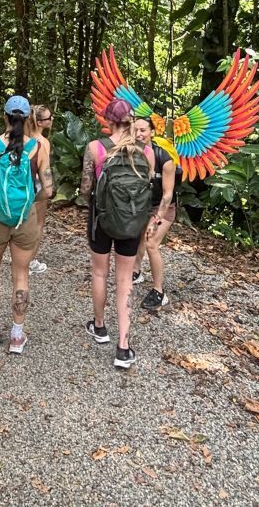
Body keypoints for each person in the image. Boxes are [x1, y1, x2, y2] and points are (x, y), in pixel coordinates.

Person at [79, 97, 153, 369]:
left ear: (108, 121)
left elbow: (86, 190)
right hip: (132, 224)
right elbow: (146, 190)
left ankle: (99, 327)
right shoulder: (145, 152)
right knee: (125, 281)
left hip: (101, 220)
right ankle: (123, 347)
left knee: (99, 273)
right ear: (131, 122)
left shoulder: (95, 149)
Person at [0, 95, 53, 355]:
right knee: (21, 274)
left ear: (5, 117)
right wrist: (32, 200)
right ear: (28, 119)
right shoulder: (38, 148)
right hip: (25, 217)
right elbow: (49, 189)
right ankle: (17, 336)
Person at [133, 115, 179, 310]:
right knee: (137, 236)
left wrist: (157, 218)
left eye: (143, 130)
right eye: (135, 130)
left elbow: (168, 195)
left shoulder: (165, 158)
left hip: (163, 207)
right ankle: (136, 271)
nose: (138, 134)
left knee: (151, 242)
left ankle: (159, 291)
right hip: (143, 204)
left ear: (152, 132)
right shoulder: (133, 154)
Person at [24, 104, 55, 275]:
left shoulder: (23, 138)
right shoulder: (43, 142)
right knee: (38, 224)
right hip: (38, 185)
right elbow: (44, 169)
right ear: (39, 123)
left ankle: (21, 257)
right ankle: (30, 261)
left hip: (24, 185)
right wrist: (47, 188)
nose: (51, 120)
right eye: (48, 118)